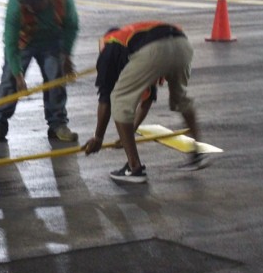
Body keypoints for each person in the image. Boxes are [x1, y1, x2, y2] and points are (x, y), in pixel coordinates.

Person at [84, 22, 208, 183]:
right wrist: (130, 131)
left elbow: (106, 98)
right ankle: (197, 152)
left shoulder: (109, 46)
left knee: (119, 100)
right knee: (180, 99)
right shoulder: (134, 39)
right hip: (182, 45)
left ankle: (134, 168)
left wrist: (98, 138)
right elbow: (147, 98)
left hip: (155, 50)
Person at [0, 0, 79, 142]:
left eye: (34, 3)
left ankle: (58, 124)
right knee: (10, 80)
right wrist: (18, 74)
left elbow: (71, 26)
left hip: (51, 41)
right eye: (28, 2)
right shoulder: (16, 2)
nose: (29, 6)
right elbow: (11, 43)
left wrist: (66, 55)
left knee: (55, 79)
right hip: (24, 41)